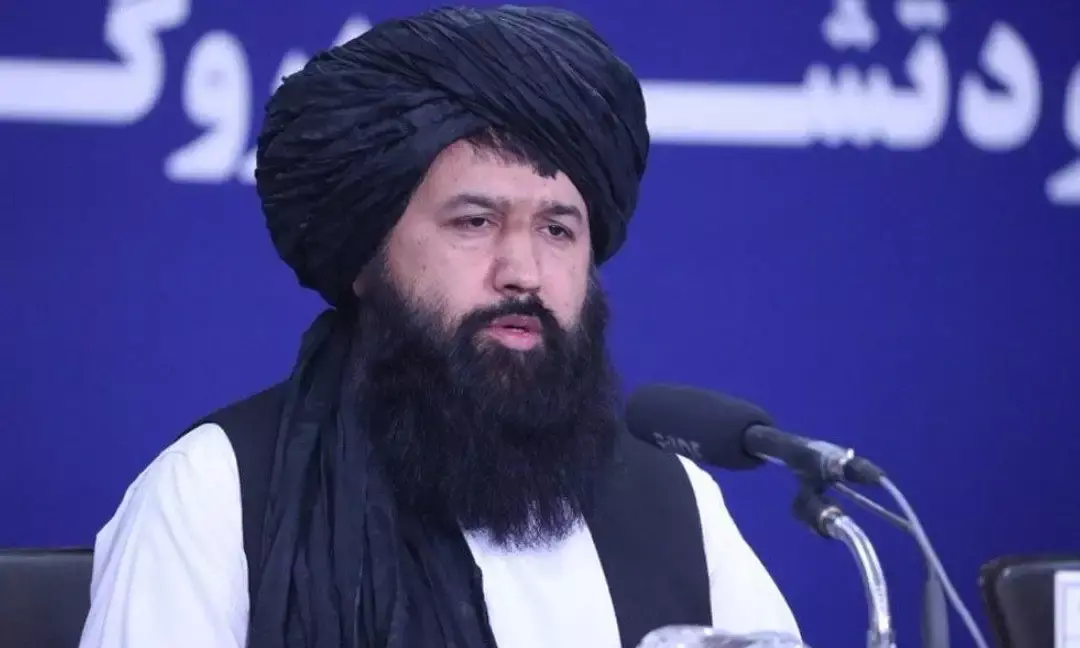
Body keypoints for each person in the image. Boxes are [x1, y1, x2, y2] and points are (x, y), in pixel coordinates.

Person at [78, 6, 800, 648]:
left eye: (557, 229)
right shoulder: (214, 495)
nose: (522, 272)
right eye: (475, 222)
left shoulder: (675, 505)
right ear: (366, 258)